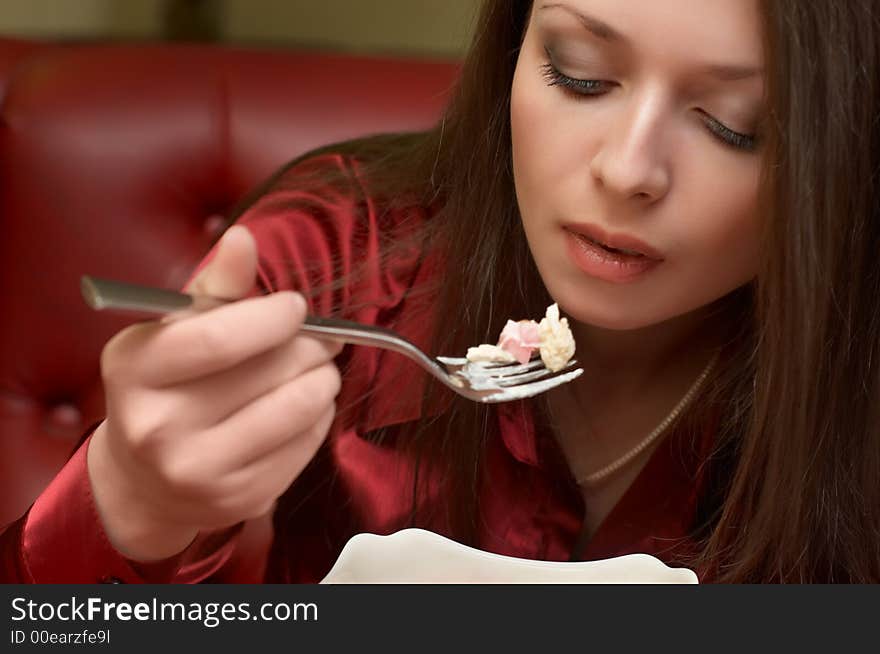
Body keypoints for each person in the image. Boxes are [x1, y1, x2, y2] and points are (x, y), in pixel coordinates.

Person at [3, 0, 879, 584]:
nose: (627, 170)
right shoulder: (334, 262)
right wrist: (133, 499)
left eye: (738, 127)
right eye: (578, 73)